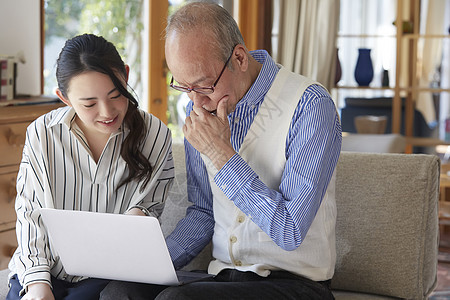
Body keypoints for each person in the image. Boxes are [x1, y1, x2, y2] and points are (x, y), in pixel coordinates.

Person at [101, 2, 341, 299]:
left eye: (204, 87)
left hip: (297, 283)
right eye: (184, 87)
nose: (196, 103)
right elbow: (203, 211)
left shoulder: (310, 106)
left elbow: (289, 230)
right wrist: (148, 267)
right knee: (118, 292)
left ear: (239, 57)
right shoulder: (197, 106)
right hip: (223, 277)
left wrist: (221, 155)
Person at [6, 34, 174, 300]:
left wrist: (133, 224)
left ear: (126, 76)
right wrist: (38, 285)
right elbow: (30, 214)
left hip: (109, 275)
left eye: (116, 95)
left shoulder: (155, 135)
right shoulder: (42, 134)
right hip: (41, 268)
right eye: (90, 104)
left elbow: (148, 211)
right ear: (64, 97)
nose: (107, 112)